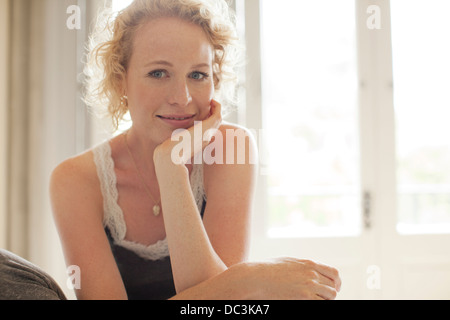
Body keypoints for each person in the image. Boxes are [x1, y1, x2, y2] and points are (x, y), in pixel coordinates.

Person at [28, 0, 342, 300]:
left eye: (197, 75)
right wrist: (248, 282)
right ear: (120, 81)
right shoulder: (75, 180)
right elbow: (224, 295)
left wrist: (170, 167)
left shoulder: (232, 148)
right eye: (158, 73)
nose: (182, 97)